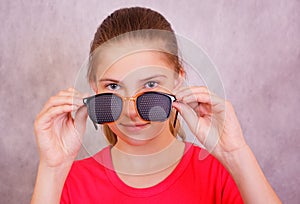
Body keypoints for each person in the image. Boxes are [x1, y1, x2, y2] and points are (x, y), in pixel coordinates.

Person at [31, 7, 281, 204]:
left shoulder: (221, 172)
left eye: (150, 84)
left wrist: (236, 155)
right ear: (95, 88)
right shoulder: (67, 181)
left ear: (178, 80)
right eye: (114, 87)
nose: (130, 111)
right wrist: (52, 170)